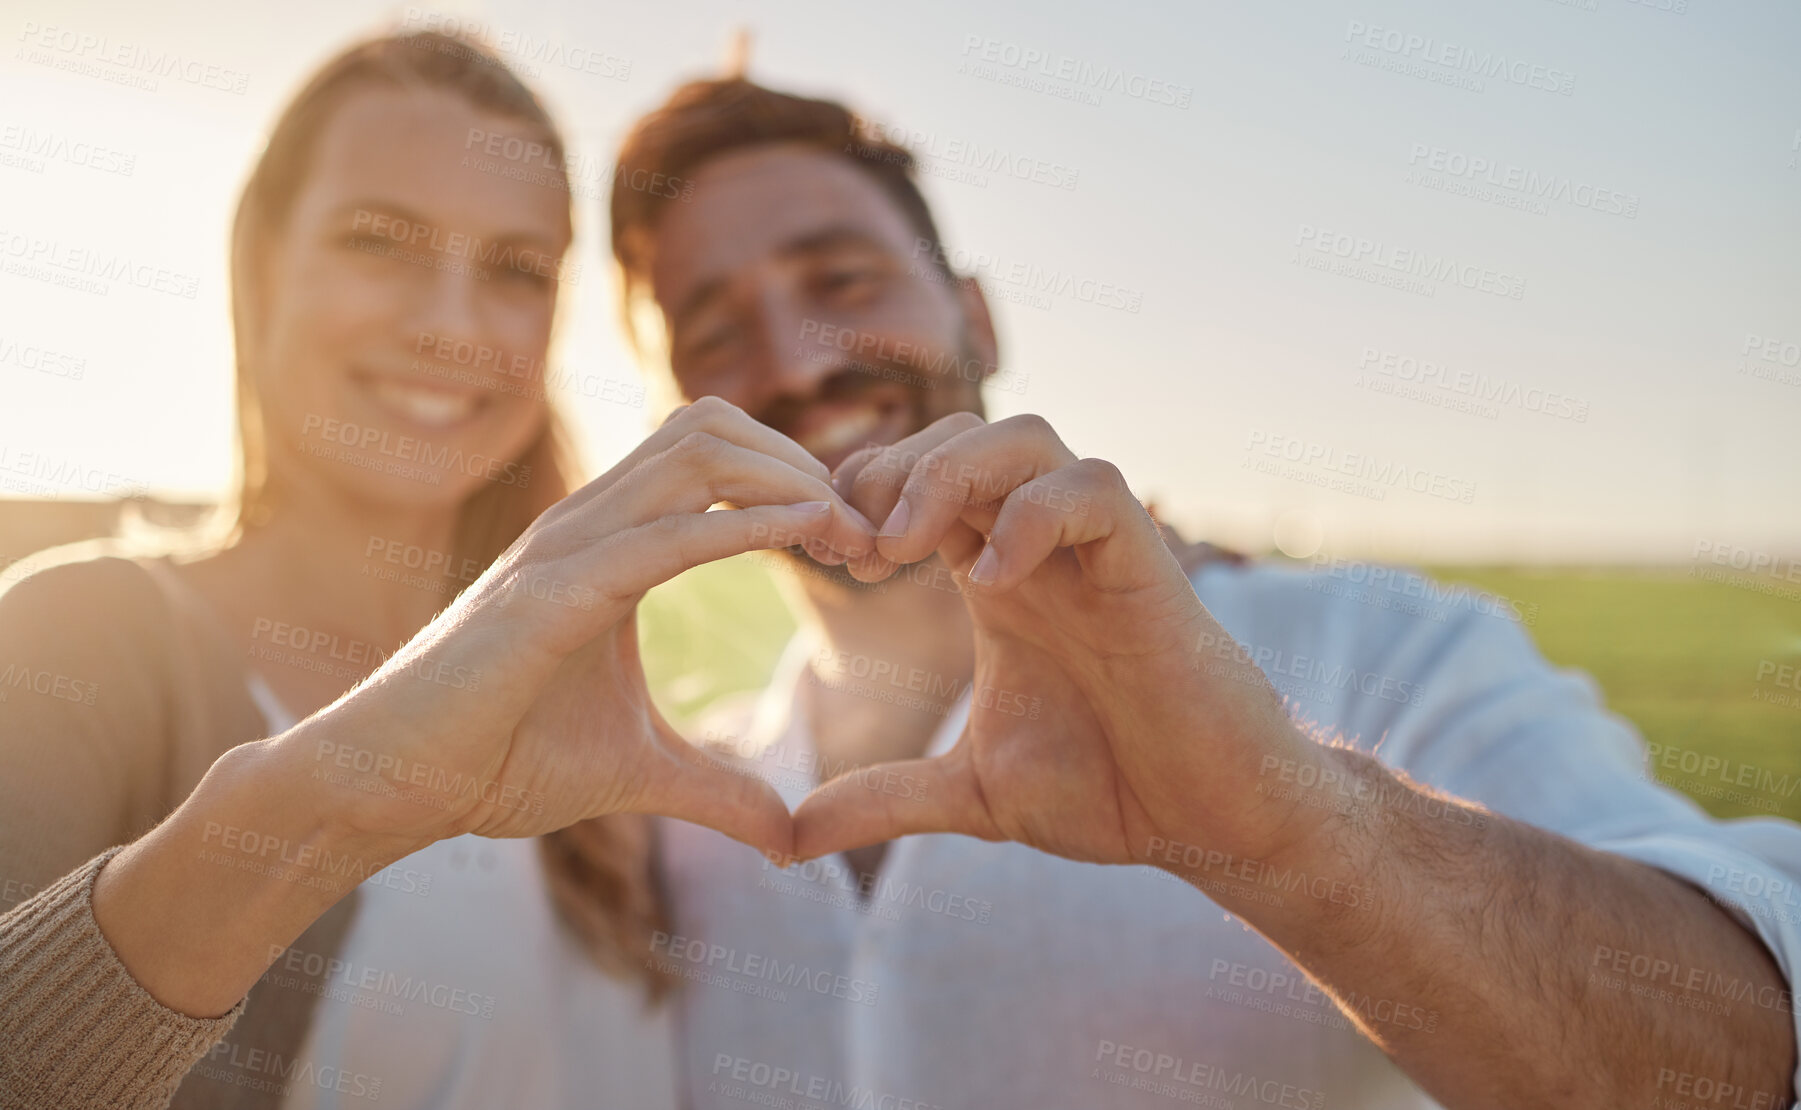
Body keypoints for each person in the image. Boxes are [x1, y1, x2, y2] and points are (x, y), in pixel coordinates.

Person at [608, 77, 1801, 1108]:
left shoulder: (1379, 648)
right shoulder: (671, 815)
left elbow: (1747, 1052)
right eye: (713, 330)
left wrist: (1289, 828)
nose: (797, 360)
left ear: (975, 315)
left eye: (843, 278)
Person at [0, 35, 873, 1110]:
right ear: (260, 262)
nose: (451, 328)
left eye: (514, 271)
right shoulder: (82, 634)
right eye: (380, 241)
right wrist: (328, 805)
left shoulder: (609, 735)